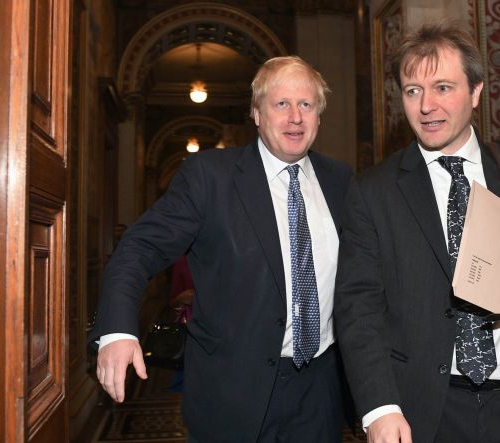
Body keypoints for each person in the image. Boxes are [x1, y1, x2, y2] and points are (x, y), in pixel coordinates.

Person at [333, 23, 500, 443]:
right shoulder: (373, 191)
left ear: (476, 92)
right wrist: (380, 408)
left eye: (443, 87)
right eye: (412, 91)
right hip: (429, 413)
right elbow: (358, 308)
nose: (427, 106)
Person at [89, 55, 352, 442]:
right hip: (231, 394)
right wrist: (116, 331)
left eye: (306, 105)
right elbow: (139, 248)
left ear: (319, 114)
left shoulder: (341, 180)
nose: (295, 117)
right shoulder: (210, 178)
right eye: (281, 104)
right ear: (257, 113)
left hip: (319, 393)